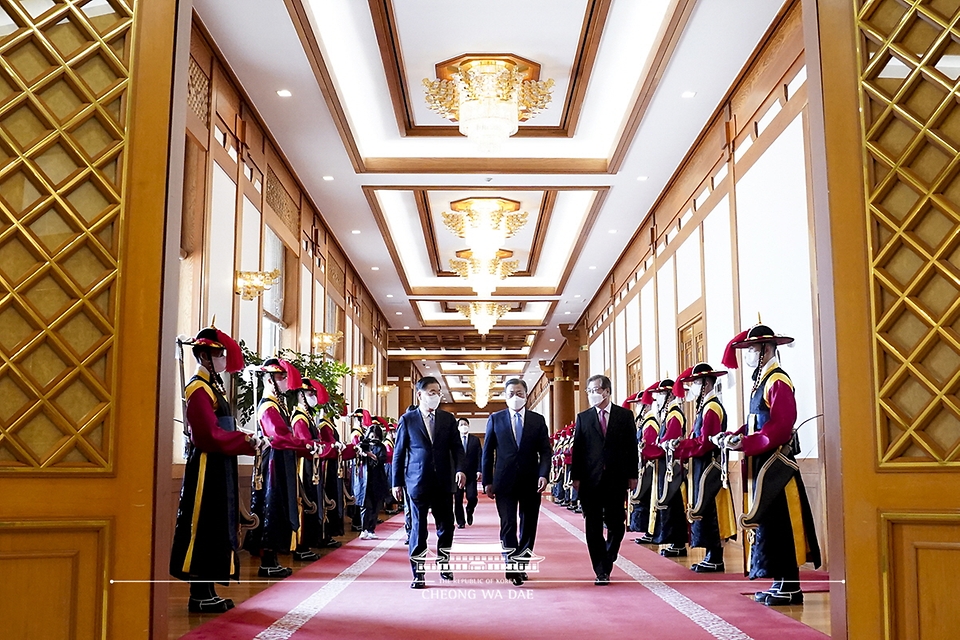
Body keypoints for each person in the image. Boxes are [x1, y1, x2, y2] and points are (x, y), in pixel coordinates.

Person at [720, 324, 822, 605]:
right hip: (761, 462)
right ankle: (780, 581)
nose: (749, 355)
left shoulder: (778, 380)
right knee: (771, 525)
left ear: (766, 350)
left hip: (777, 465)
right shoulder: (762, 380)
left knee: (784, 524)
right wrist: (737, 436)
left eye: (752, 350)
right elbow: (757, 421)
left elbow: (780, 425)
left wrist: (749, 443)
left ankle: (791, 585)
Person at [170, 327, 261, 613]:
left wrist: (242, 435)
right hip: (207, 466)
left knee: (217, 526)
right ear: (205, 356)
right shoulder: (198, 388)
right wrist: (245, 441)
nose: (224, 359)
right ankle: (199, 592)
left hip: (220, 464)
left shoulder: (213, 386)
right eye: (219, 354)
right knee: (204, 526)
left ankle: (208, 589)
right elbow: (207, 435)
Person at [244, 358, 316, 578]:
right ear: (269, 379)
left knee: (279, 508)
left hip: (282, 461)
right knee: (271, 508)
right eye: (280, 377)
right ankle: (267, 560)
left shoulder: (278, 405)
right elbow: (278, 437)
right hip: (272, 462)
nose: (285, 381)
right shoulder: (268, 406)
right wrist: (304, 443)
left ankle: (273, 558)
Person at [392, 378, 466, 588]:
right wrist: (396, 482)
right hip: (417, 482)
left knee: (446, 527)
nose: (436, 395)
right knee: (418, 529)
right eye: (431, 392)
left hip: (443, 481)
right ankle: (418, 572)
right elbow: (399, 453)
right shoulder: (407, 420)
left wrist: (460, 469)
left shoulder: (448, 419)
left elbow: (457, 448)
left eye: (438, 392)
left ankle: (444, 563)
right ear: (420, 395)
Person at [482, 378, 552, 585]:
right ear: (505, 396)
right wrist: (487, 480)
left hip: (531, 481)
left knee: (529, 525)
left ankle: (522, 563)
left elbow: (545, 452)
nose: (515, 397)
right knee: (508, 524)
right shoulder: (496, 419)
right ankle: (511, 564)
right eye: (511, 393)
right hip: (504, 481)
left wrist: (544, 474)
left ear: (526, 395)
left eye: (520, 393)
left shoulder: (537, 420)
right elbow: (488, 453)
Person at [571, 374, 639, 585]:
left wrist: (633, 474)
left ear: (607, 391)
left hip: (616, 478)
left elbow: (631, 448)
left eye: (596, 390)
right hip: (590, 480)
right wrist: (575, 477)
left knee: (617, 524)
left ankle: (609, 556)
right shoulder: (584, 418)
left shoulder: (624, 416)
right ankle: (600, 569)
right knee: (592, 525)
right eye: (589, 391)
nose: (593, 394)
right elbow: (578, 450)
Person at [673, 364, 737, 572]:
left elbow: (705, 442)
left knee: (709, 509)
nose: (692, 387)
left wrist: (680, 447)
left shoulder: (712, 408)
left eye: (696, 383)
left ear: (706, 384)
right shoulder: (705, 407)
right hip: (700, 465)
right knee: (704, 508)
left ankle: (715, 556)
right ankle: (711, 554)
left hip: (709, 465)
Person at [641, 378, 689, 558]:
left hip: (672, 467)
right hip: (666, 466)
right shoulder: (667, 414)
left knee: (673, 504)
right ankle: (673, 541)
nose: (657, 398)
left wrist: (647, 449)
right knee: (667, 504)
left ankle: (678, 543)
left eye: (661, 394)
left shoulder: (674, 414)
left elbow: (668, 443)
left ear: (669, 395)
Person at [290, 378, 335, 561]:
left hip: (313, 465)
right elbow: (303, 441)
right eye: (310, 394)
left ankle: (308, 542)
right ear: (300, 396)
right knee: (306, 504)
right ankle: (301, 544)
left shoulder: (308, 417)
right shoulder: (300, 417)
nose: (313, 397)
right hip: (304, 465)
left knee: (313, 503)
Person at [356, 421, 389, 539]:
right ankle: (363, 529)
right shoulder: (364, 445)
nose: (373, 439)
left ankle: (371, 529)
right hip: (364, 480)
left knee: (376, 506)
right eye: (371, 437)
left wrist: (370, 455)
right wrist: (361, 452)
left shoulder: (381, 447)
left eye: (375, 437)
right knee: (365, 505)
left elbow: (381, 460)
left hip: (377, 479)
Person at [455, 418, 481, 529]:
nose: (463, 426)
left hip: (471, 473)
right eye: (461, 424)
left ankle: (470, 510)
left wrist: (479, 470)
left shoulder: (475, 440)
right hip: (457, 474)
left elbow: (480, 456)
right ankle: (460, 521)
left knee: (472, 497)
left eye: (465, 424)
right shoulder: (454, 440)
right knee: (458, 499)